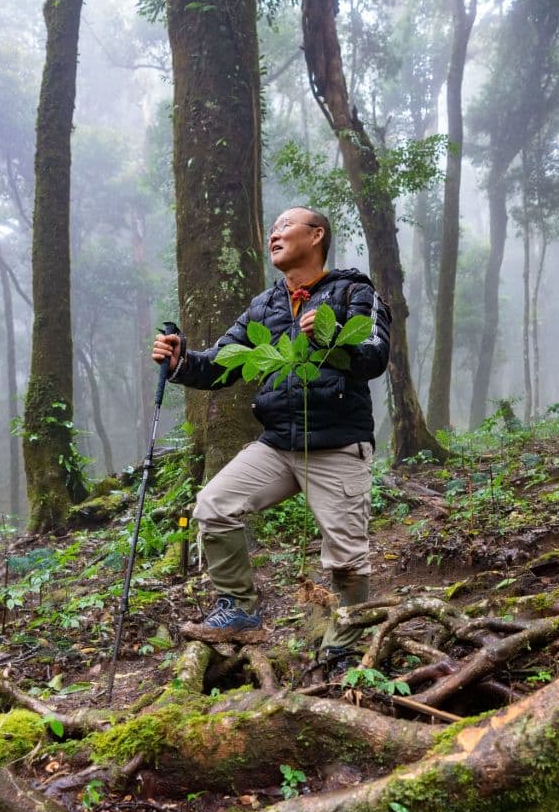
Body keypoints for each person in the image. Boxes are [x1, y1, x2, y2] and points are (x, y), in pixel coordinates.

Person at [151, 207, 391, 673]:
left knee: (346, 559)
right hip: (278, 443)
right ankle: (240, 609)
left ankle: (342, 647)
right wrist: (181, 362)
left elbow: (375, 355)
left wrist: (332, 339)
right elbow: (222, 363)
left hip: (338, 442)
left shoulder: (353, 291)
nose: (274, 234)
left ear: (316, 235)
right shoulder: (265, 306)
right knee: (214, 505)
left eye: (286, 226)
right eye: (273, 228)